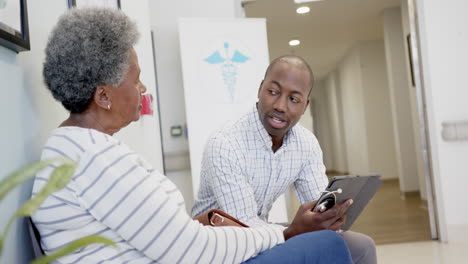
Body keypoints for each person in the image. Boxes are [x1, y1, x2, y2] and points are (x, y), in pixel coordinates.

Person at [31, 8, 353, 263]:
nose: (143, 89)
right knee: (327, 246)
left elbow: (174, 238)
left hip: (200, 243)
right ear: (103, 97)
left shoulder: (82, 151)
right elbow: (189, 251)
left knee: (340, 244)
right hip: (199, 251)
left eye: (295, 98)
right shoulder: (94, 160)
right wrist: (284, 234)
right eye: (136, 80)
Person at [192, 55, 377, 264]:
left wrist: (338, 210)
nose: (280, 106)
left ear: (305, 106)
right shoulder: (225, 143)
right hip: (217, 244)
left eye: (293, 99)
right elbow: (244, 227)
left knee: (361, 246)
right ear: (260, 89)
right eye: (273, 92)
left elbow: (318, 204)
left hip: (260, 231)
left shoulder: (305, 143)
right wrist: (294, 230)